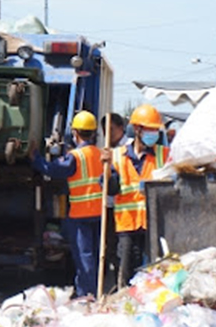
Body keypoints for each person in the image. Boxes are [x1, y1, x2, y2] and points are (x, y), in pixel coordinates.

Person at [30, 111, 103, 297]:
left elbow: (53, 170)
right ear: (93, 133)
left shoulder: (75, 157)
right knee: (93, 256)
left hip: (81, 214)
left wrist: (36, 158)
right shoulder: (100, 154)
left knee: (84, 257)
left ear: (75, 133)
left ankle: (88, 295)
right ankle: (87, 292)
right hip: (98, 213)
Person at [102, 104, 169, 289]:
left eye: (156, 130)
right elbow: (111, 189)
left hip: (154, 225)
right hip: (126, 225)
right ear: (138, 129)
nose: (154, 133)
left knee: (152, 275)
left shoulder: (163, 155)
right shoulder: (116, 156)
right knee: (126, 274)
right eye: (151, 129)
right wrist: (106, 170)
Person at [100, 113, 127, 280]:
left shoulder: (126, 149)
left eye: (111, 130)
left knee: (124, 251)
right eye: (104, 131)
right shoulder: (108, 150)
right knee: (110, 248)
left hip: (126, 209)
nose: (107, 134)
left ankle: (122, 282)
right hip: (110, 206)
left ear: (121, 128)